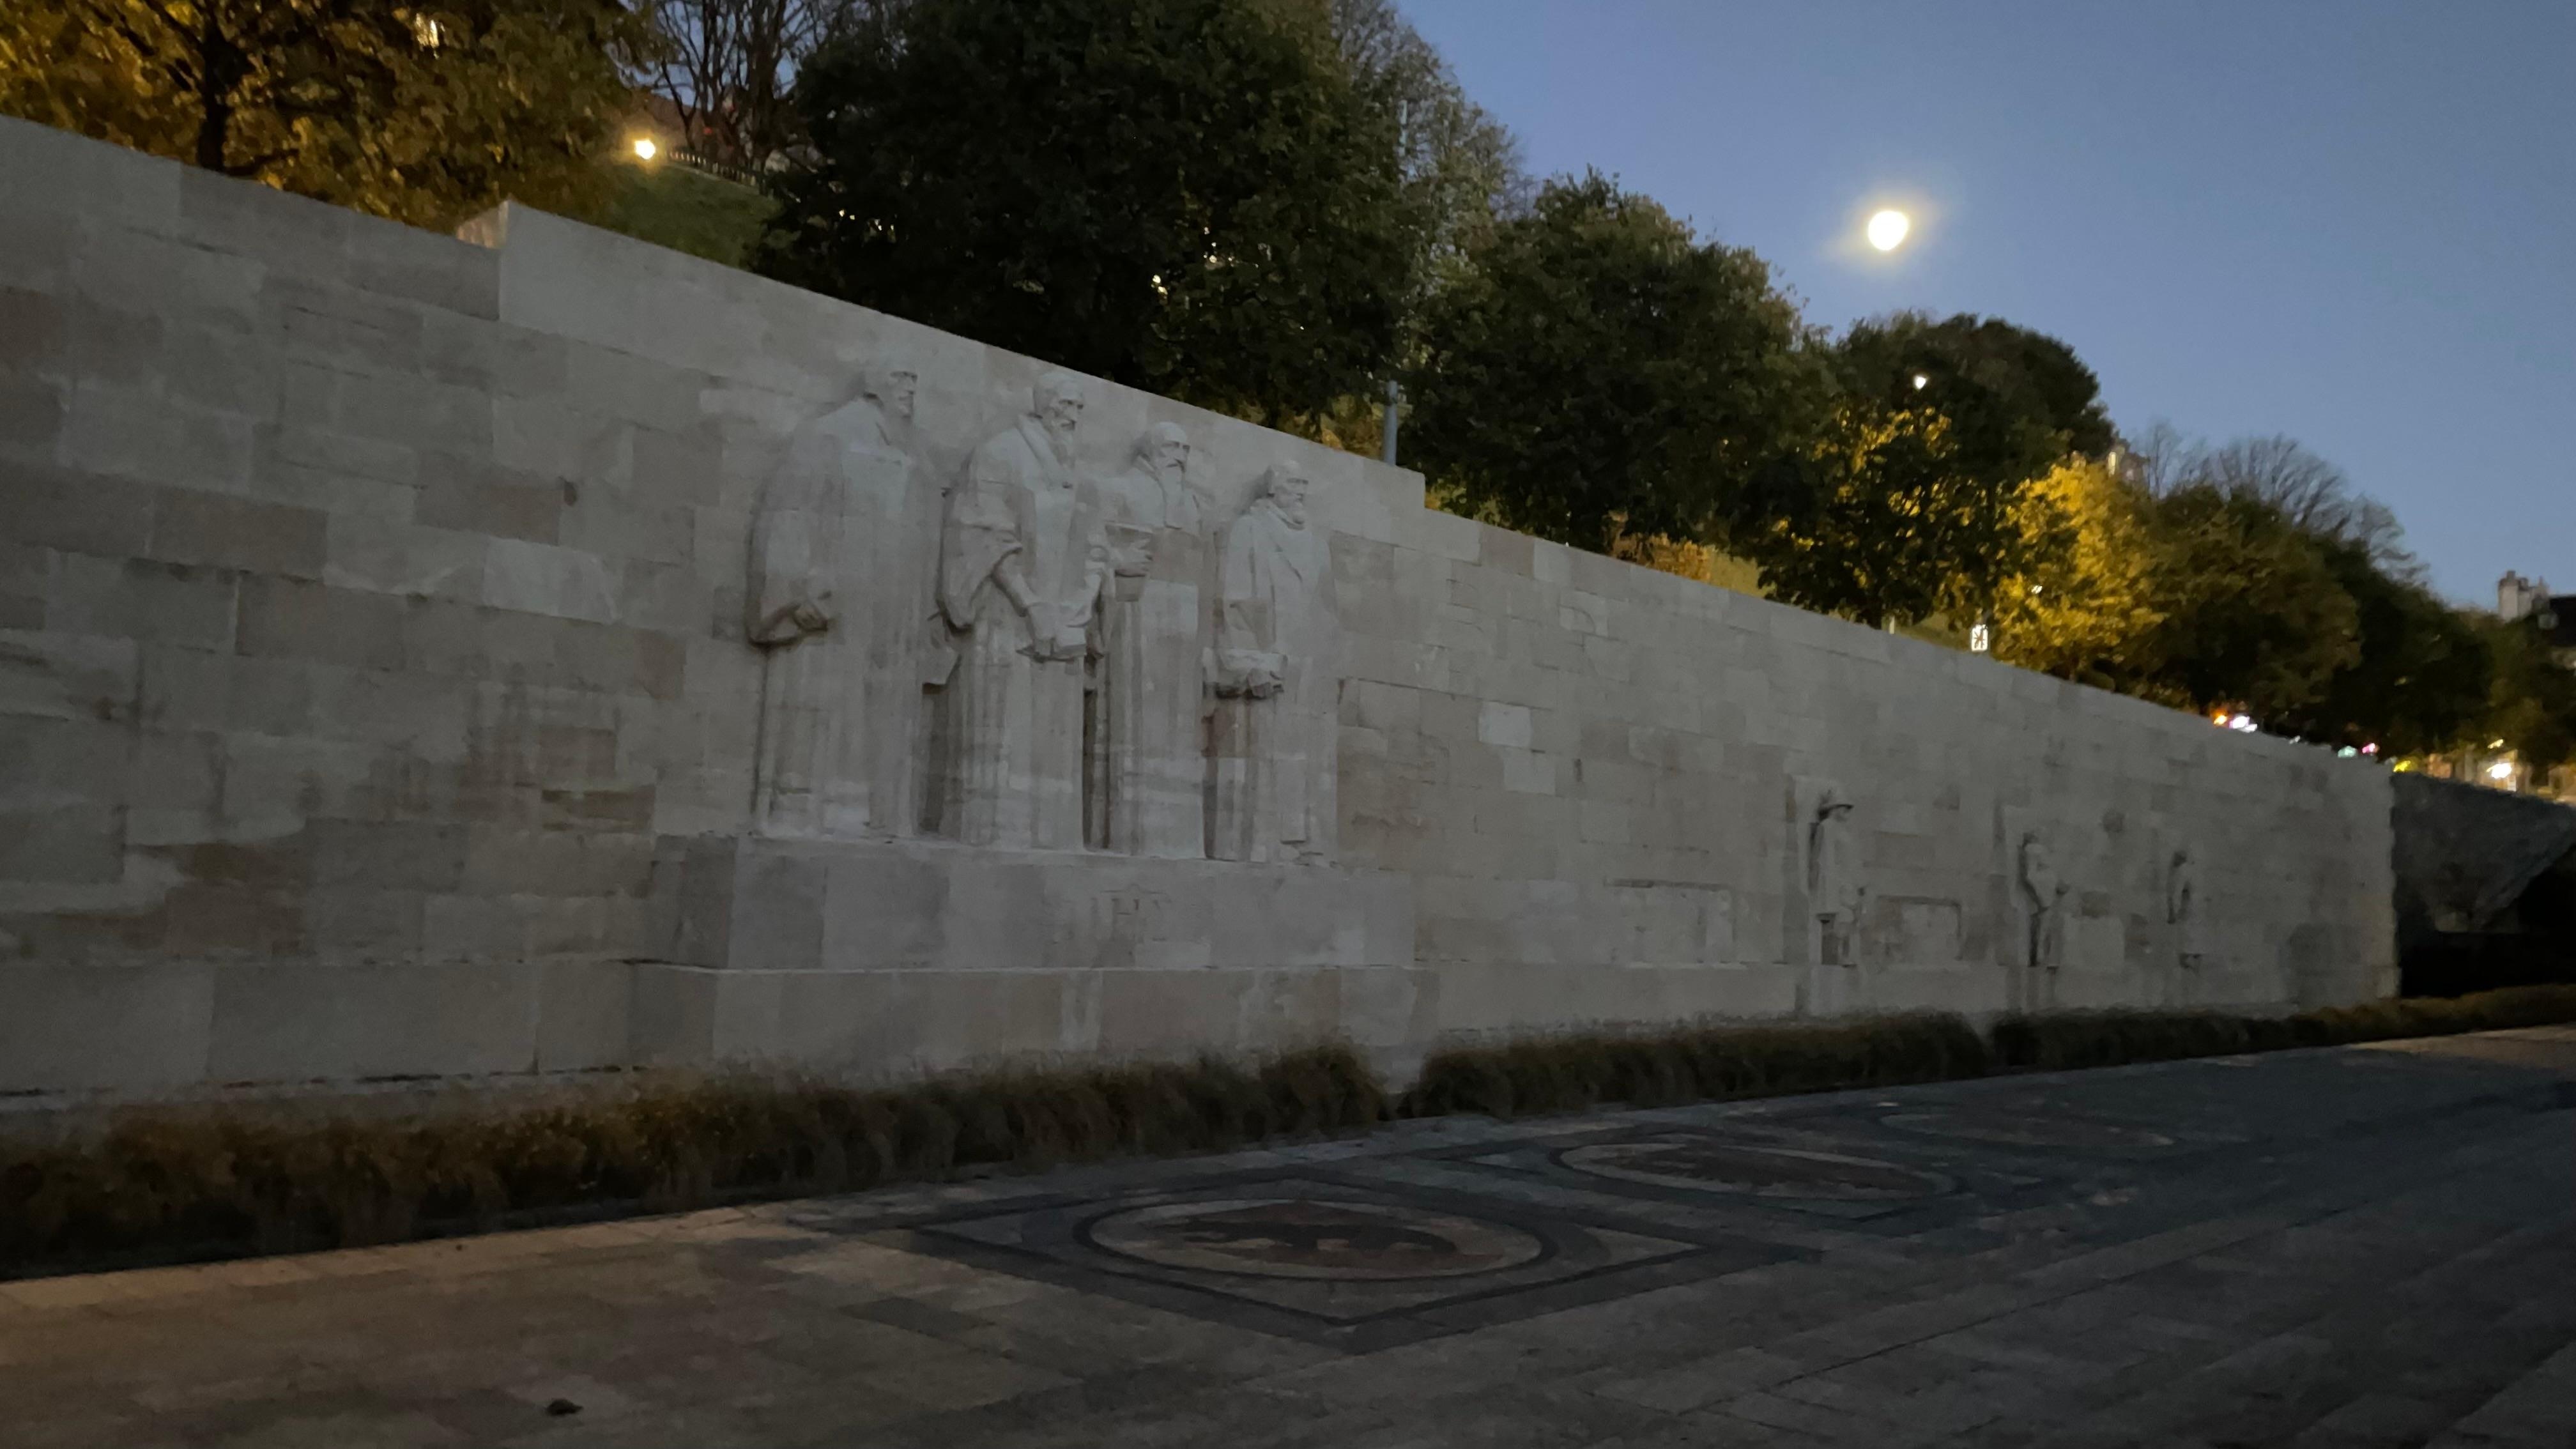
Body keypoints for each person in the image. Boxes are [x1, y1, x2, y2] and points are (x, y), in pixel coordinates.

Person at [931, 371, 1108, 848]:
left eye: (1079, 408)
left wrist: (1080, 604)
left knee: (1055, 737)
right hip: (1008, 615)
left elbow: (1096, 548)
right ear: (1044, 406)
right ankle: (995, 837)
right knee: (1004, 730)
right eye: (1066, 405)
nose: (1073, 416)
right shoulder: (1001, 453)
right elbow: (986, 533)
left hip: (1064, 622)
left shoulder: (1077, 474)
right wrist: (1031, 604)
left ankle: (1053, 839)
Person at [746, 365, 924, 837]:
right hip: (829, 610)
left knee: (870, 714)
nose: (910, 389)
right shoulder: (826, 436)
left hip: (881, 613)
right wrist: (795, 595)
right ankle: (803, 812)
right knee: (819, 714)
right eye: (901, 378)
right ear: (874, 386)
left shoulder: (897, 450)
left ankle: (868, 815)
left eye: (914, 381)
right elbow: (788, 515)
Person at [1085, 422, 1212, 855]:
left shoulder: (1194, 505)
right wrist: (1117, 562)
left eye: (1185, 447)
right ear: (1151, 450)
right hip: (1137, 616)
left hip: (1186, 627)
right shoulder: (1118, 489)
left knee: (1180, 729)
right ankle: (1128, 833)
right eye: (1172, 446)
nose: (1179, 455)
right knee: (1131, 717)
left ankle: (1177, 836)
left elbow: (1206, 577)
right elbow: (1090, 549)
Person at [1209, 463, 1337, 864]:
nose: (1302, 493)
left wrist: (1336, 663)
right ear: (1272, 491)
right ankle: (1268, 844)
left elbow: (1328, 609)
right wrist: (1250, 660)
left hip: (1310, 665)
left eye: (1305, 485)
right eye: (1294, 485)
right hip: (1270, 659)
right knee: (1268, 753)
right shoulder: (1250, 530)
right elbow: (1233, 599)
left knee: (1309, 758)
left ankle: (1306, 843)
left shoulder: (1317, 543)